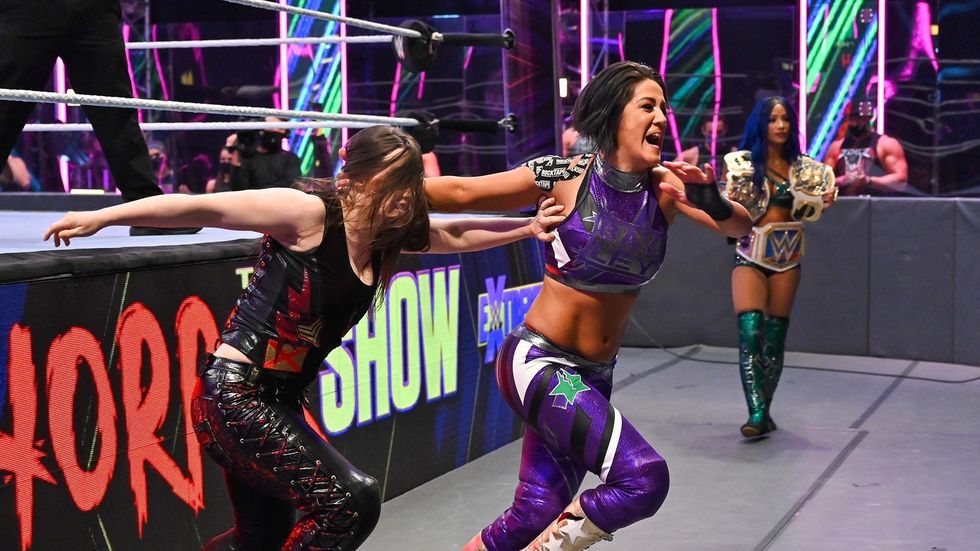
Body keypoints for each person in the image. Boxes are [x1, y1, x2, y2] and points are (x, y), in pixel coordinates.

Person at [43, 125, 566, 551]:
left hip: (280, 400)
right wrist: (102, 216)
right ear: (355, 179)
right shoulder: (309, 213)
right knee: (349, 502)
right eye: (393, 184)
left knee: (260, 539)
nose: (406, 199)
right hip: (234, 395)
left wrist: (525, 228)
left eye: (410, 187)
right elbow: (197, 208)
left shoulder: (386, 233)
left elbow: (452, 233)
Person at [425, 61, 754, 551]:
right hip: (538, 361)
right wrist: (370, 186)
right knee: (644, 478)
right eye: (647, 106)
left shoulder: (666, 187)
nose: (661, 117)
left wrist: (712, 198)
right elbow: (459, 191)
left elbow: (740, 227)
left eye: (664, 109)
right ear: (614, 114)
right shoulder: (564, 173)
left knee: (534, 514)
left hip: (594, 375)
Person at [0, 0, 197, 234]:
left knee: (116, 110)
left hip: (93, 9)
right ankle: (146, 206)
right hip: (28, 8)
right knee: (6, 106)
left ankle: (146, 208)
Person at [724, 96, 836, 438]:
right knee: (750, 333)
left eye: (785, 118)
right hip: (751, 254)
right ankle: (756, 413)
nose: (781, 125)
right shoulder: (742, 165)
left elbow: (814, 207)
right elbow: (730, 209)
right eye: (773, 119)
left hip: (788, 257)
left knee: (774, 338)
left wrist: (824, 201)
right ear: (762, 124)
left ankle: (765, 410)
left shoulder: (805, 169)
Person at [824, 100, 909, 196]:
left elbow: (901, 181)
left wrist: (868, 181)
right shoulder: (836, 147)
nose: (855, 123)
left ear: (868, 119)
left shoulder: (886, 144)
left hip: (875, 203)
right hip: (844, 203)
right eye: (852, 119)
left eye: (860, 119)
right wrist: (843, 180)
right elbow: (822, 183)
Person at [227, 117, 302, 191]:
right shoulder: (248, 158)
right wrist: (236, 159)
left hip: (279, 198)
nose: (276, 132)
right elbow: (239, 188)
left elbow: (290, 184)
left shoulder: (291, 158)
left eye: (280, 129)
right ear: (261, 131)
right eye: (271, 128)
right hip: (254, 199)